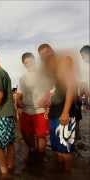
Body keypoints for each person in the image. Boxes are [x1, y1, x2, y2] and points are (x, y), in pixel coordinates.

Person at [38, 44, 76, 172]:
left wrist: (65, 112)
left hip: (64, 112)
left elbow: (71, 86)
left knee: (65, 150)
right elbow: (51, 92)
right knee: (56, 149)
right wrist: (44, 100)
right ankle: (60, 174)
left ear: (53, 51)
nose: (46, 56)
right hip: (53, 114)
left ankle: (67, 174)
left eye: (48, 52)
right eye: (42, 55)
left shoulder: (65, 62)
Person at [16, 52, 52, 164]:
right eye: (26, 62)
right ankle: (32, 149)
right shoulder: (22, 78)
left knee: (41, 135)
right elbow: (19, 93)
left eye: (30, 61)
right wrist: (18, 101)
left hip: (40, 110)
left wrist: (47, 100)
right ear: (24, 64)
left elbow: (51, 90)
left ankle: (40, 154)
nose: (28, 64)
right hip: (26, 110)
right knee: (25, 132)